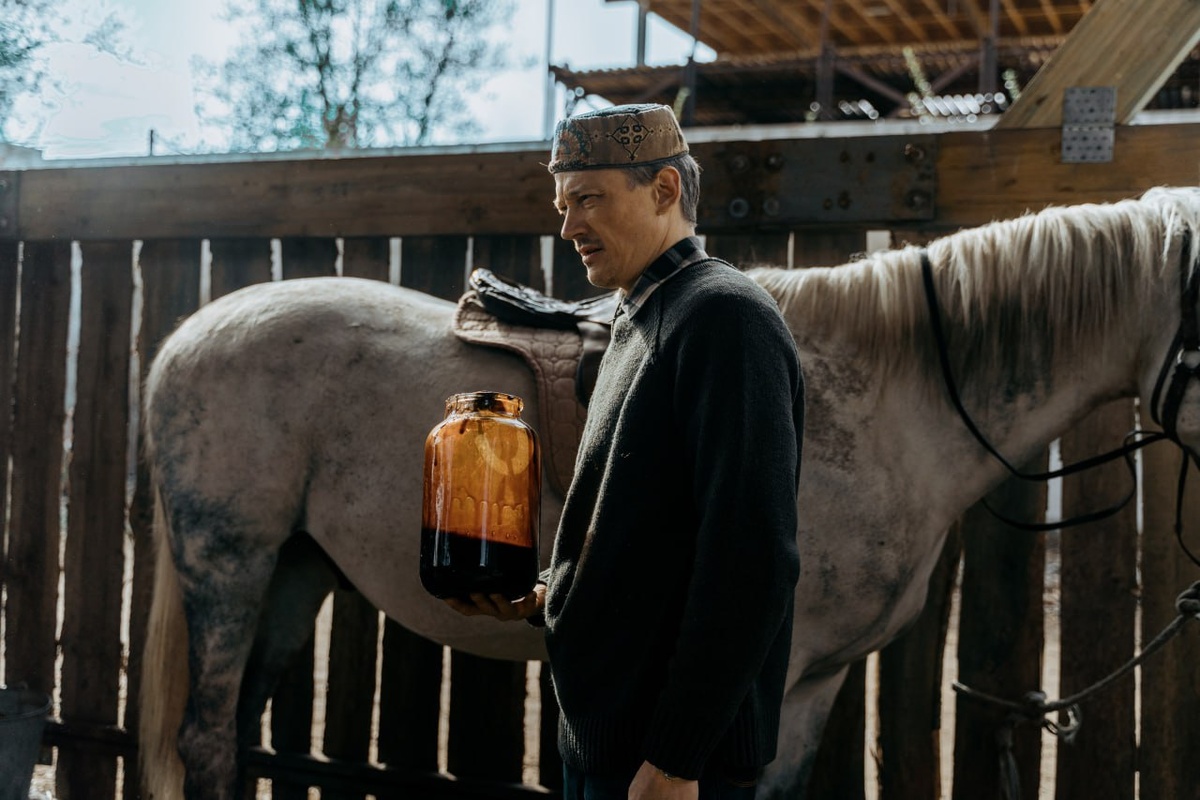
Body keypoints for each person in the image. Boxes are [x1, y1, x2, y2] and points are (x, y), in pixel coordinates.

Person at [445, 103, 804, 800]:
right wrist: (547, 594)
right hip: (610, 744)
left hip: (665, 765)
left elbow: (750, 560)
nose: (568, 226)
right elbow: (642, 533)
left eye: (587, 199)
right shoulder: (638, 313)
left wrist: (677, 758)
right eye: (562, 204)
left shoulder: (724, 318)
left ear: (665, 190)